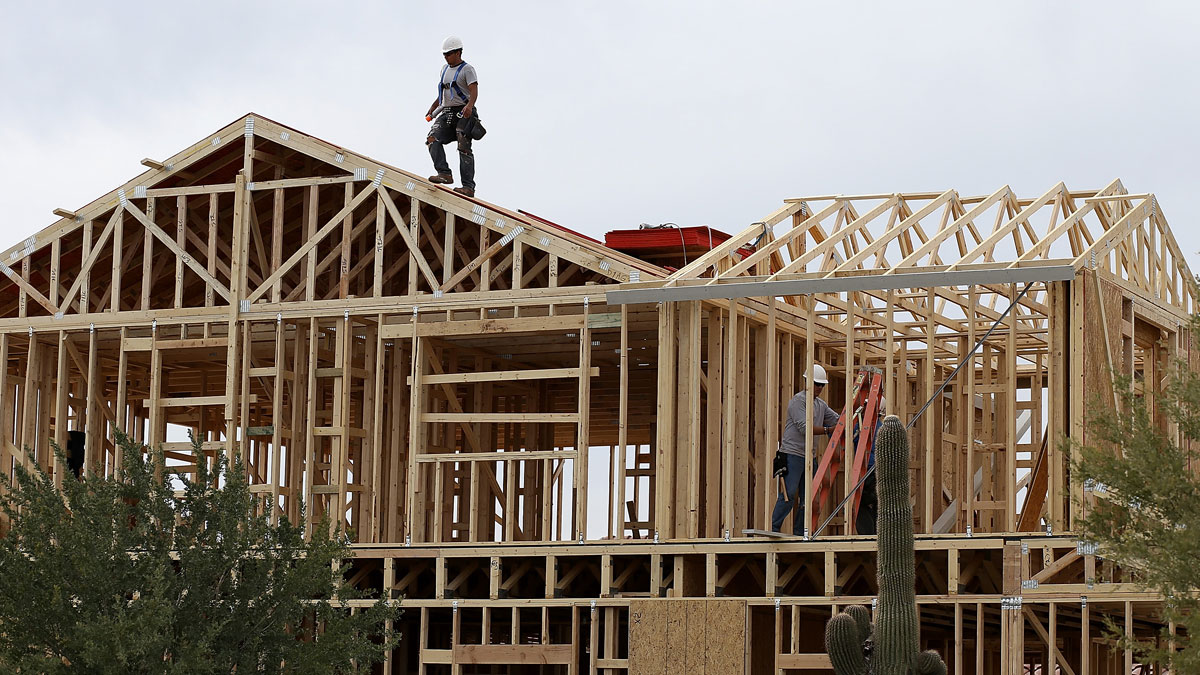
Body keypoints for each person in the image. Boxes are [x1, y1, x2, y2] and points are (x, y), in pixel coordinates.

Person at [771, 364, 841, 535]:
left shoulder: (821, 405)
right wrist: (828, 430)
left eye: (822, 385)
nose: (819, 388)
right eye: (817, 384)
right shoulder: (798, 401)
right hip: (792, 454)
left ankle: (799, 533)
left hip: (809, 457)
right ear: (807, 382)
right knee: (789, 494)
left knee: (808, 498)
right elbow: (805, 428)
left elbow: (838, 420)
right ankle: (774, 528)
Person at [425, 36, 481, 197]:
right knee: (432, 139)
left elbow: (474, 90)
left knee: (463, 146)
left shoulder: (467, 69)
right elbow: (444, 93)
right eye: (444, 55)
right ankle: (444, 173)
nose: (446, 57)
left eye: (449, 54)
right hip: (447, 111)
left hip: (464, 111)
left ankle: (468, 187)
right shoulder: (444, 69)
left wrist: (469, 106)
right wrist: (433, 107)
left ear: (458, 52)